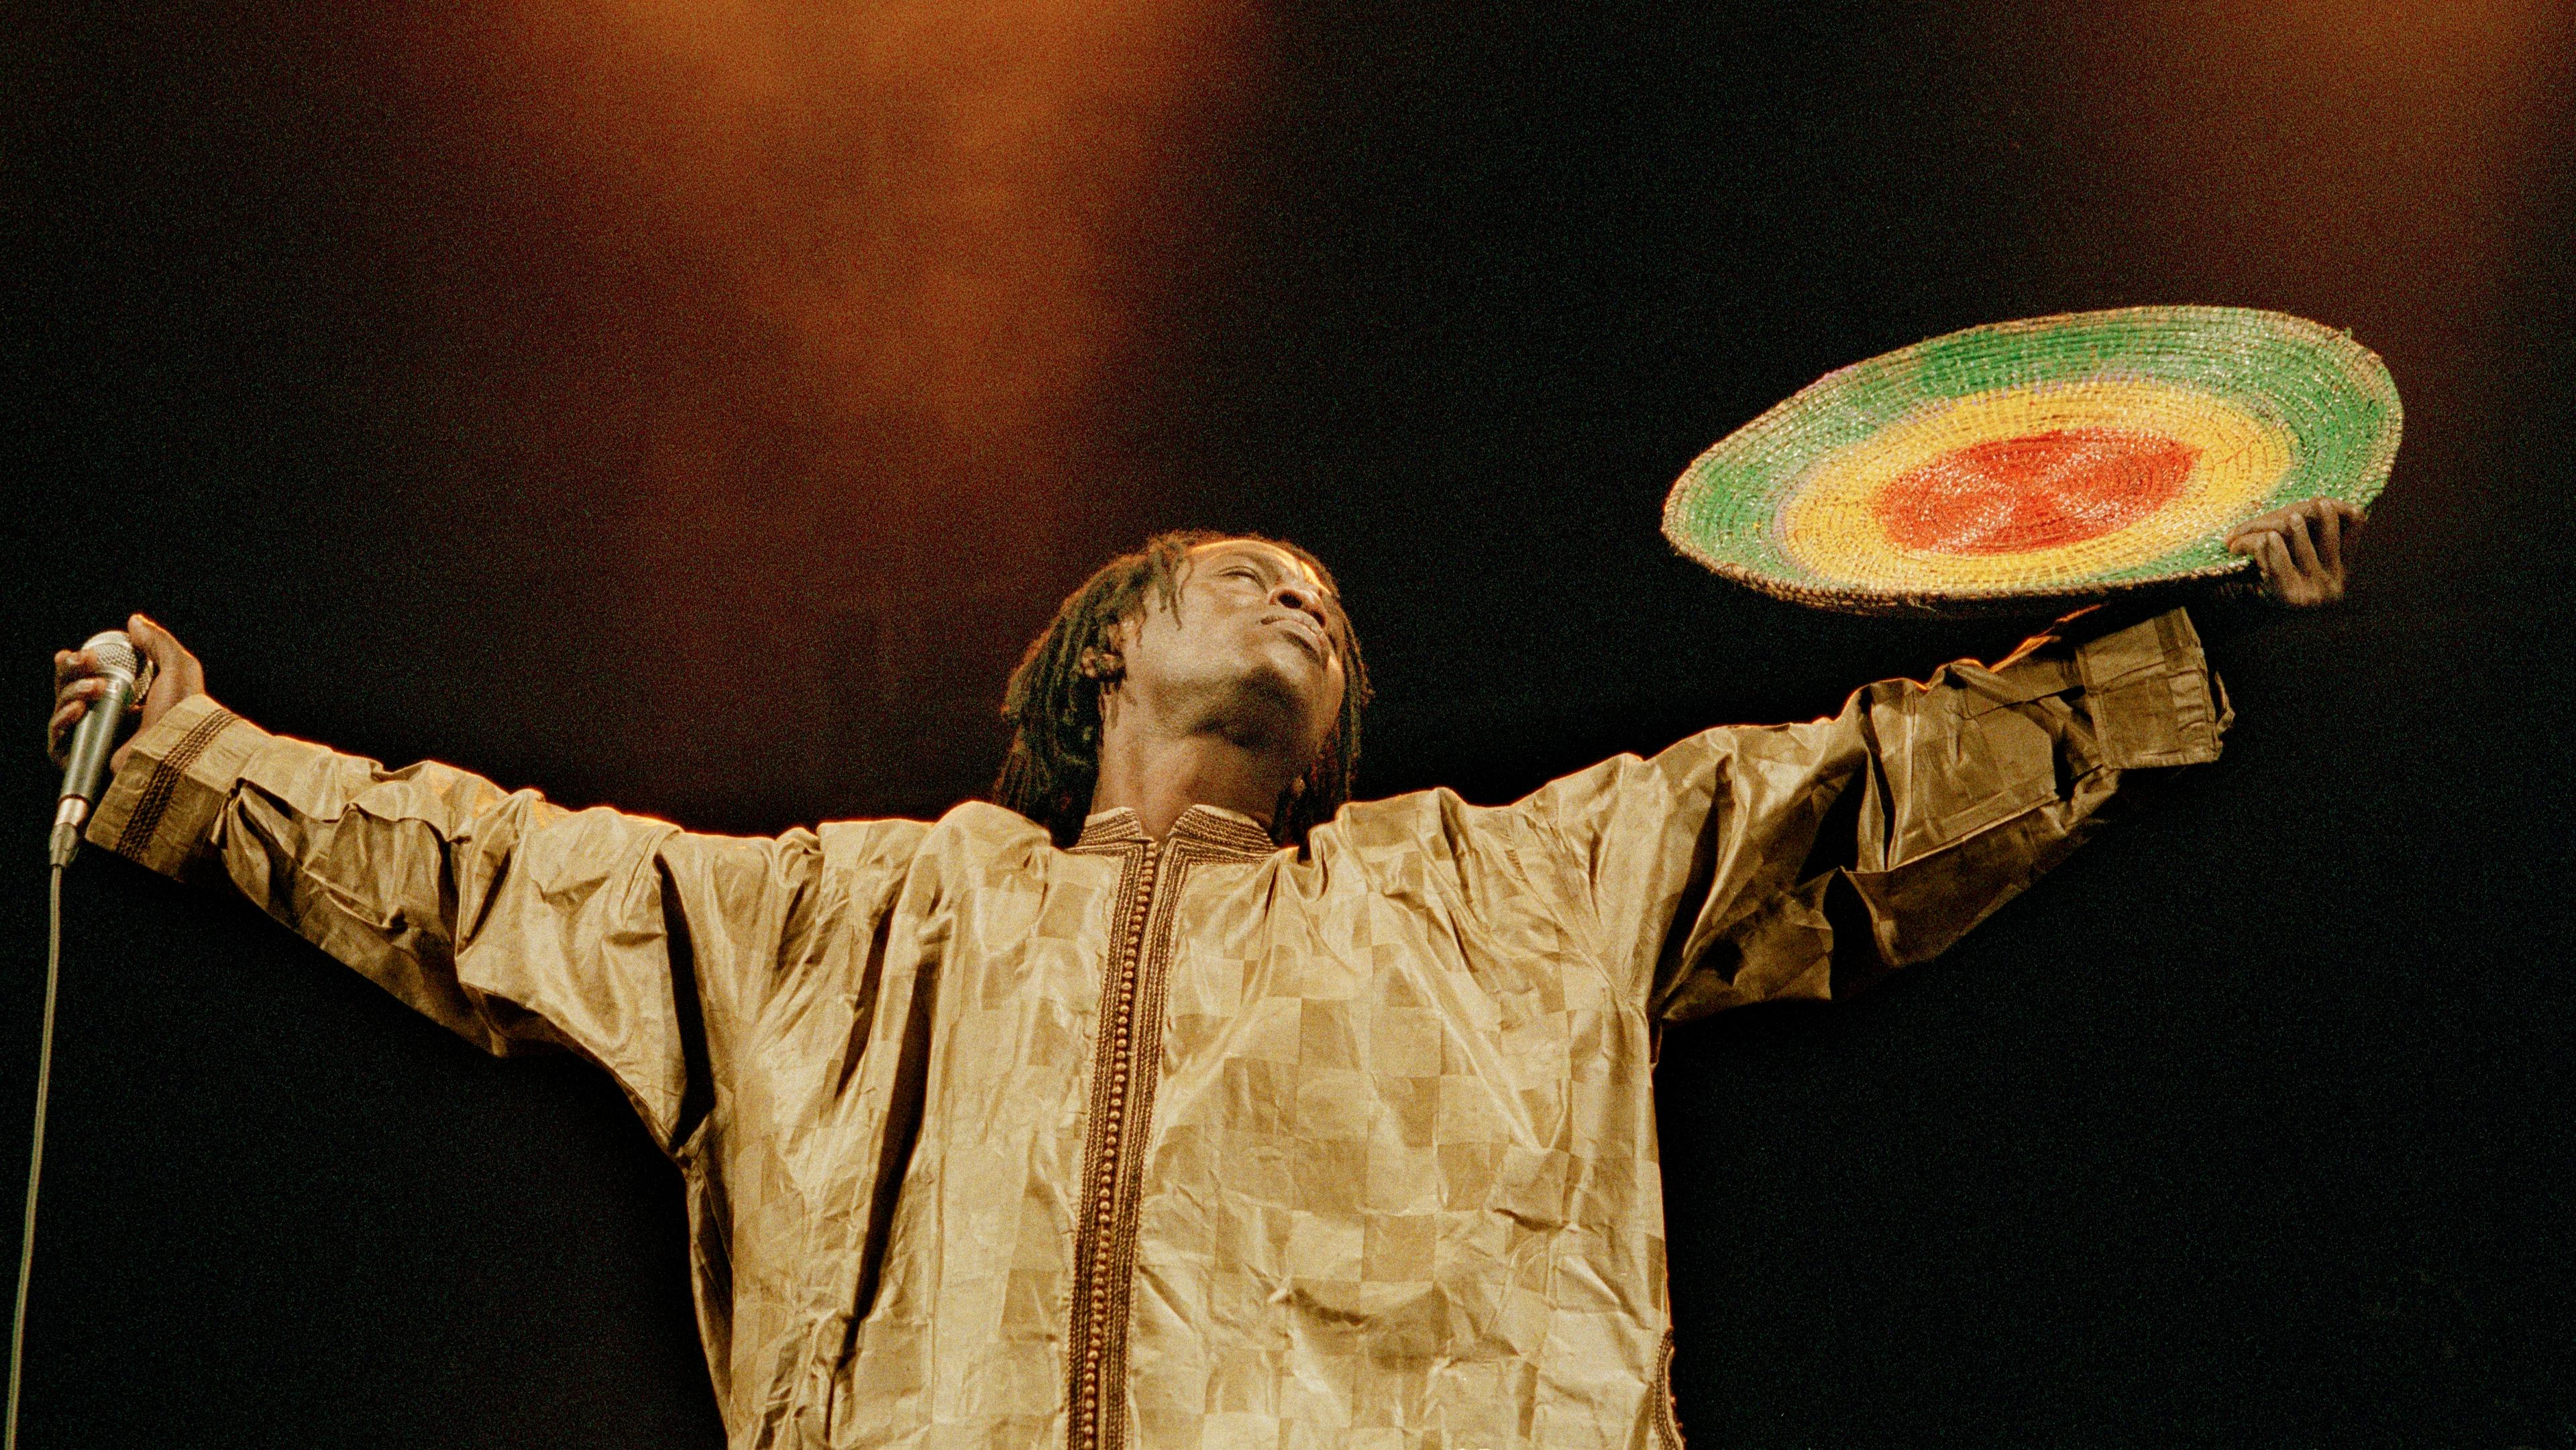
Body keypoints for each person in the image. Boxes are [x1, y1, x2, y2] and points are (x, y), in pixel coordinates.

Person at [45, 500, 2360, 1449]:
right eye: (1250, 575)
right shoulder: (866, 921)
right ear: (1105, 657)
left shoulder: (1509, 885)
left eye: (1334, 619)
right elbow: (493, 876)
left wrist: (2183, 625)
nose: (1308, 608)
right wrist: (194, 757)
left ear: (1346, 737)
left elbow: (1860, 794)